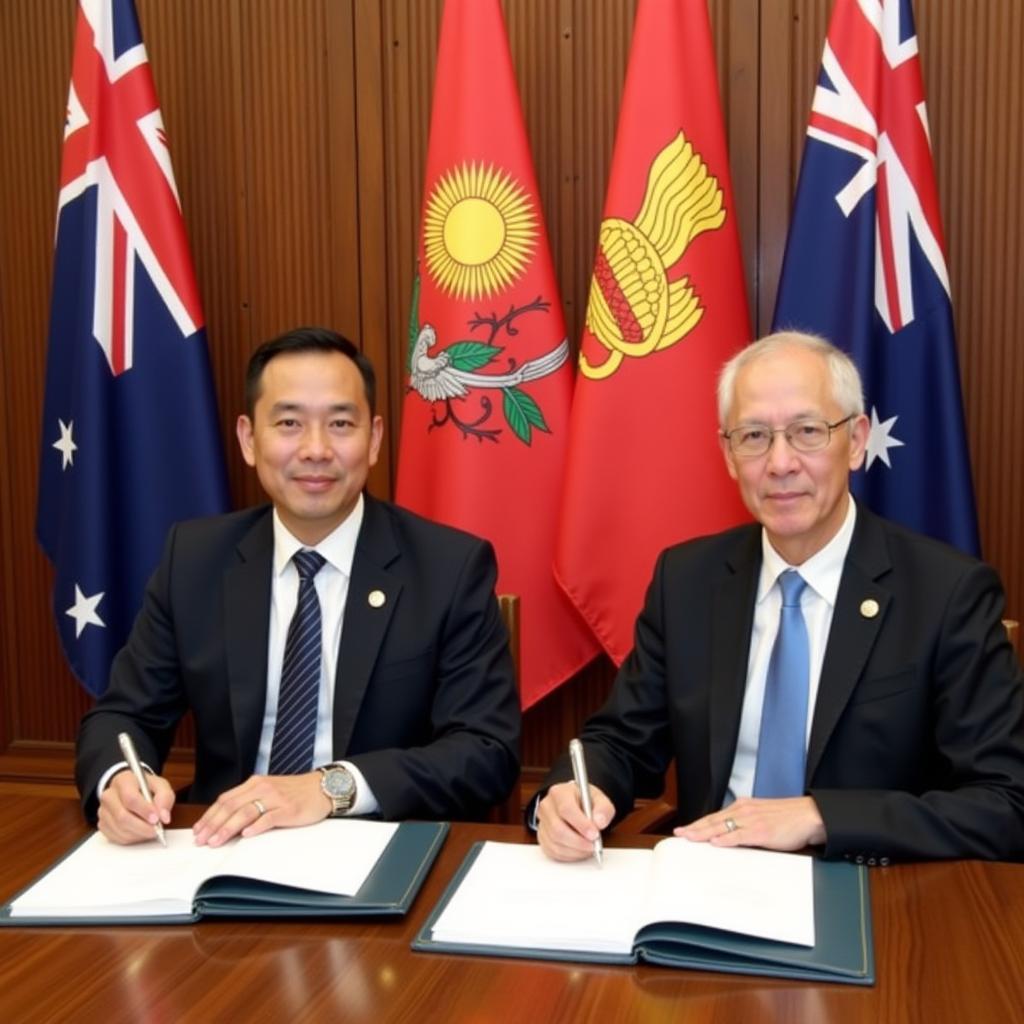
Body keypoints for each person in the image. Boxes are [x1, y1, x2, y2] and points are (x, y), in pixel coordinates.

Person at [536, 331, 1024, 864]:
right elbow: (623, 742)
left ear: (857, 440)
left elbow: (1004, 802)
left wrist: (820, 816)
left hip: (872, 896)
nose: (780, 462)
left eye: (808, 431)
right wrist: (569, 797)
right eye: (753, 436)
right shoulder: (688, 579)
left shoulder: (947, 592)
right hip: (709, 882)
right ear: (728, 453)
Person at [77, 327, 520, 846]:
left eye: (340, 424)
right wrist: (120, 780)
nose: (315, 449)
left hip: (381, 852)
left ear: (374, 439)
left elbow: (485, 751)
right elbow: (123, 714)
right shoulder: (194, 559)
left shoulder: (449, 568)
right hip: (224, 848)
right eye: (289, 423)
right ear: (248, 439)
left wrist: (330, 788)